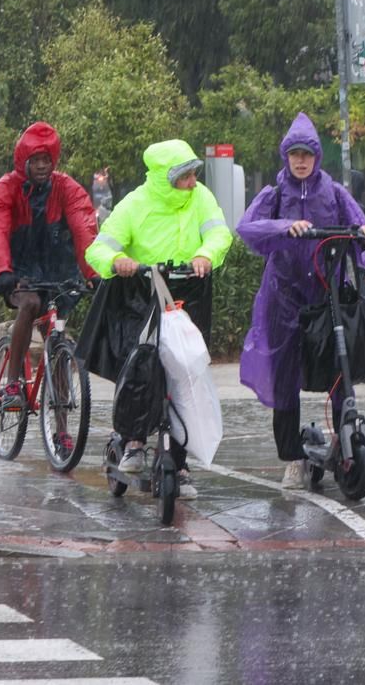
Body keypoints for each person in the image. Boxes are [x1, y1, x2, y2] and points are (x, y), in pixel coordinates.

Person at [80, 139, 233, 499]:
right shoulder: (135, 204)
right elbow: (99, 247)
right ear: (167, 178)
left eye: (194, 175)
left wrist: (206, 254)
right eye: (185, 177)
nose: (193, 182)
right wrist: (117, 261)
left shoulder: (201, 198)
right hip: (142, 294)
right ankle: (133, 441)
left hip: (188, 292)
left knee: (186, 373)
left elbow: (218, 233)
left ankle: (180, 461)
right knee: (142, 367)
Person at [235, 113, 365, 489]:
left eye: (307, 154)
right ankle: (292, 459)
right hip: (283, 299)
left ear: (316, 157)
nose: (301, 161)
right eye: (294, 154)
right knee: (284, 379)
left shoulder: (335, 193)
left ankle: (344, 442)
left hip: (327, 297)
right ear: (286, 156)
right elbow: (248, 228)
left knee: (339, 370)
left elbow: (362, 234)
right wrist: (285, 227)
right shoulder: (274, 194)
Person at [0, 122, 99, 411]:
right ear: (24, 162)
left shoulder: (67, 188)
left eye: (47, 159)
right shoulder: (4, 190)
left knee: (56, 336)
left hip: (55, 269)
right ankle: (12, 384)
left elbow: (84, 231)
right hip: (14, 267)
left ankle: (62, 428)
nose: (42, 166)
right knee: (30, 303)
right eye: (36, 160)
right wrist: (3, 272)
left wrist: (94, 273)